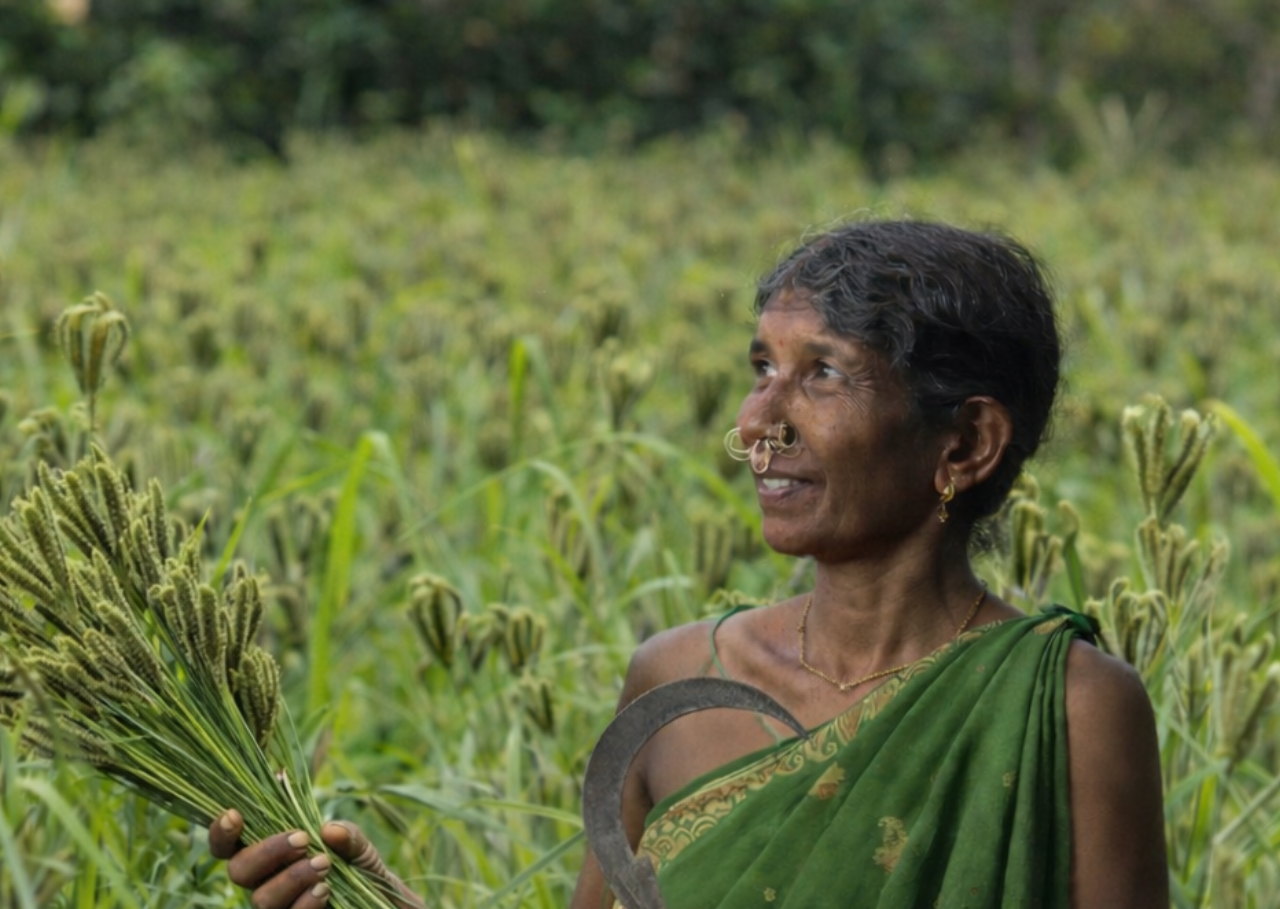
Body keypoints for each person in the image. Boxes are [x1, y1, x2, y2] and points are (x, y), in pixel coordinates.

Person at [208, 219, 1169, 909]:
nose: (755, 425)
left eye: (821, 374)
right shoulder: (676, 681)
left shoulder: (1069, 706)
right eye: (761, 370)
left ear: (966, 445)